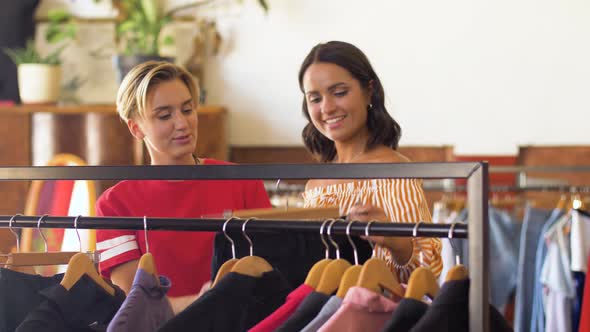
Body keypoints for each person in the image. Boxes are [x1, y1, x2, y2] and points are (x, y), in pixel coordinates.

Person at [95, 61, 271, 313]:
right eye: (165, 115)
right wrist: (203, 303)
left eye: (187, 110)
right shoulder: (113, 205)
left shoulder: (243, 182)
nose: (182, 123)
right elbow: (134, 303)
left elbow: (269, 270)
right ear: (136, 128)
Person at [299, 41, 442, 283]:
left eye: (340, 92)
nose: (327, 108)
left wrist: (396, 241)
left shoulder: (395, 173)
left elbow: (427, 274)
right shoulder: (314, 186)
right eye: (315, 98)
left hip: (378, 315)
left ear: (369, 91)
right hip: (319, 314)